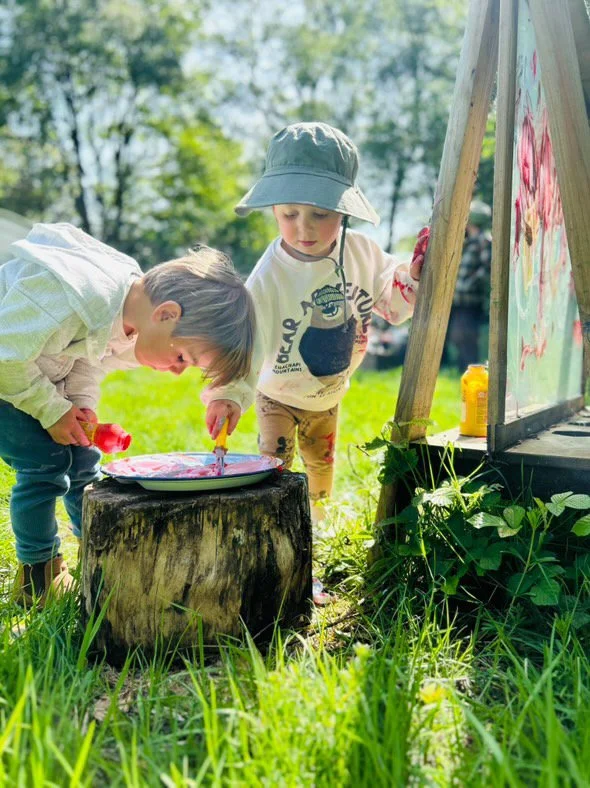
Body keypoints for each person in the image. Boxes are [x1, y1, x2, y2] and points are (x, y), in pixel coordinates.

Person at [0, 223, 255, 607]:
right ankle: (37, 575)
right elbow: (7, 357)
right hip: (8, 378)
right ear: (166, 315)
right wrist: (52, 411)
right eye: (183, 357)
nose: (177, 371)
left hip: (34, 374)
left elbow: (86, 358)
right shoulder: (75, 295)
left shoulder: (124, 313)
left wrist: (79, 402)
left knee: (84, 460)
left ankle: (99, 550)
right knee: (45, 464)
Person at [203, 122, 424, 521]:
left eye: (320, 214)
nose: (304, 228)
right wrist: (229, 394)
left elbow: (394, 304)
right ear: (274, 210)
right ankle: (277, 528)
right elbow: (246, 343)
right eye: (290, 214)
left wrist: (415, 276)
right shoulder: (269, 276)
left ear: (343, 212)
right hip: (277, 394)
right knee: (276, 468)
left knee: (321, 472)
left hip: (328, 395)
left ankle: (318, 531)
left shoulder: (362, 253)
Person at [445, 200, 492, 371]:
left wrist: (468, 284)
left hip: (471, 301)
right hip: (459, 300)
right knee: (457, 336)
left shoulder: (484, 240)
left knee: (467, 338)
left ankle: (470, 372)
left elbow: (488, 269)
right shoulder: (468, 241)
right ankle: (463, 372)